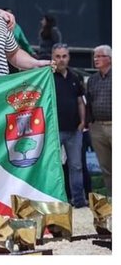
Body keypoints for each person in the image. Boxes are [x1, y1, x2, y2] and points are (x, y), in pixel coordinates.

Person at [51, 44, 87, 207]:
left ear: (69, 57)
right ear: (53, 57)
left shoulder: (75, 77)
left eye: (64, 56)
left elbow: (80, 101)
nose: (61, 60)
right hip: (53, 131)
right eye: (58, 56)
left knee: (76, 166)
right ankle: (55, 200)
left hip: (74, 130)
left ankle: (78, 201)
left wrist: (82, 122)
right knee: (53, 167)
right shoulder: (47, 77)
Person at [87, 45, 112, 196]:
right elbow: (88, 102)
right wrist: (90, 122)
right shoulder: (92, 79)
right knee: (105, 167)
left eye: (100, 56)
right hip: (97, 127)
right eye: (95, 56)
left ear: (110, 59)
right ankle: (112, 199)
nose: (96, 59)